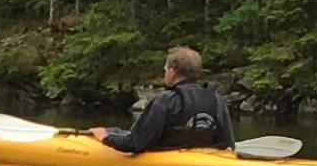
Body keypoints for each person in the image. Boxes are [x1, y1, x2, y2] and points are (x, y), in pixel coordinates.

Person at [91, 46, 234, 152]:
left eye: (165, 69)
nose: (165, 72)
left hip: (167, 157)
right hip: (203, 159)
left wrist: (106, 138)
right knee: (117, 131)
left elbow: (134, 143)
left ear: (172, 72)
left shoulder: (166, 100)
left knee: (113, 133)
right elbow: (228, 144)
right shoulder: (216, 99)